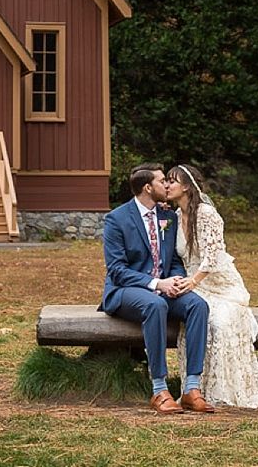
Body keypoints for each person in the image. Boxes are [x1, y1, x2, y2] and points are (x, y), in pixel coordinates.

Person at [99, 162, 215, 414]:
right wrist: (155, 284)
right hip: (125, 290)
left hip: (163, 289)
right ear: (148, 188)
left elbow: (173, 260)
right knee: (155, 304)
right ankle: (159, 389)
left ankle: (191, 388)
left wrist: (175, 281)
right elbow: (116, 270)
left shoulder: (166, 217)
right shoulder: (117, 219)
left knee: (197, 305)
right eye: (163, 181)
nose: (167, 184)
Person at [164, 164, 258, 409]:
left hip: (217, 282)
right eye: (167, 181)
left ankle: (224, 388)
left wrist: (193, 282)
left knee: (221, 323)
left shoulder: (206, 214)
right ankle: (195, 388)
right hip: (192, 281)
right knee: (199, 318)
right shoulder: (171, 217)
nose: (167, 185)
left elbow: (212, 257)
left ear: (186, 186)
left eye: (173, 181)